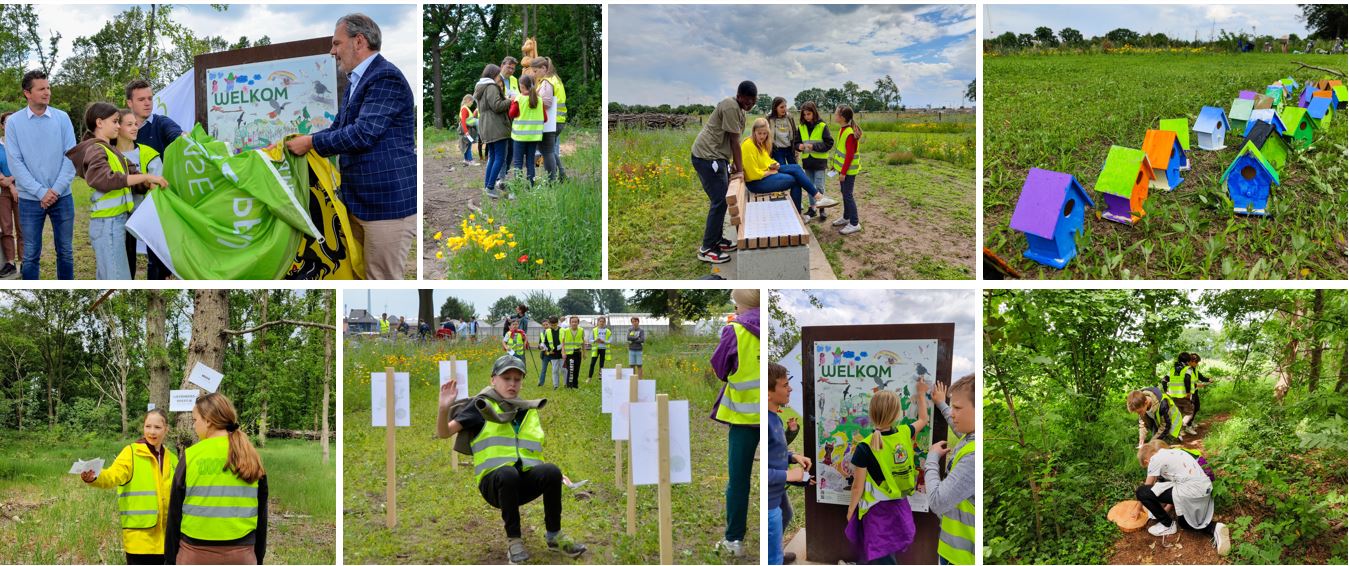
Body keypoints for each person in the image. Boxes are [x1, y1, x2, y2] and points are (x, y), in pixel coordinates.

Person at [285, 14, 417, 280]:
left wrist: (310, 142)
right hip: (360, 203)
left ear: (359, 41)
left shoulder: (385, 77)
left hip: (387, 206)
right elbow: (338, 129)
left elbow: (362, 134)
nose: (332, 51)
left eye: (336, 43)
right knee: (358, 275)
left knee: (381, 278)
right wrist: (302, 143)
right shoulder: (357, 82)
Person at [437, 354, 587, 563]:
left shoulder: (526, 409)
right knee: (507, 474)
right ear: (493, 380)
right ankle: (514, 542)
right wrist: (444, 408)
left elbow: (529, 451)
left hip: (521, 483)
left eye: (517, 379)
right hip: (494, 485)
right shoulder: (481, 407)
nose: (512, 383)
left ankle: (554, 536)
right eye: (506, 378)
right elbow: (444, 433)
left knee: (552, 471)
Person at [65, 102, 167, 280]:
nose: (118, 126)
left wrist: (147, 183)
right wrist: (146, 178)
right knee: (119, 279)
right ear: (99, 123)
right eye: (115, 122)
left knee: (109, 277)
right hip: (107, 224)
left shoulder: (110, 151)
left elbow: (131, 175)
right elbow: (105, 179)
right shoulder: (95, 150)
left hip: (114, 223)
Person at [165, 393, 268, 565]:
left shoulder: (191, 456)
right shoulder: (250, 455)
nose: (194, 425)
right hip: (241, 555)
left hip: (195, 554)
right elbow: (262, 515)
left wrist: (169, 559)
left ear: (208, 421)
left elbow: (174, 514)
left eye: (194, 419)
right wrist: (258, 557)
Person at [4, 70, 77, 280]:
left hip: (62, 197)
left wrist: (54, 191)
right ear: (27, 93)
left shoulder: (62, 118)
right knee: (30, 255)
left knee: (66, 252)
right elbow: (15, 163)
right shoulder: (14, 123)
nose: (47, 92)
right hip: (29, 199)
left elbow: (71, 156)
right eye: (41, 89)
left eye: (48, 87)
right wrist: (40, 192)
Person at [80, 409, 178, 565]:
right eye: (148, 426)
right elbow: (112, 476)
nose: (152, 432)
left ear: (166, 429)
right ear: (143, 428)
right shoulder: (131, 452)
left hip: (168, 539)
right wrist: (95, 477)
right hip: (139, 538)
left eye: (157, 427)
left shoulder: (172, 458)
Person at [846, 385, 928, 565]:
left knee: (879, 551)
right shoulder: (906, 432)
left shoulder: (864, 447)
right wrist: (921, 394)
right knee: (888, 549)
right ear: (897, 414)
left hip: (876, 509)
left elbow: (857, 487)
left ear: (871, 413)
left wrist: (851, 509)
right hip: (899, 505)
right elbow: (923, 418)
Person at [712, 289, 760, 557]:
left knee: (739, 480)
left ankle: (735, 541)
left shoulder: (734, 331)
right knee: (776, 475)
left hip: (743, 420)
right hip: (772, 418)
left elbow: (721, 369)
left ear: (740, 303)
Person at [691, 81, 756, 264]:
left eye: (754, 101)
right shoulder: (730, 106)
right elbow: (735, 141)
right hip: (706, 157)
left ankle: (718, 240)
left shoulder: (740, 110)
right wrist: (740, 171)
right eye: (748, 100)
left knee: (723, 199)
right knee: (719, 201)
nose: (750, 104)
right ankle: (707, 248)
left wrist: (735, 163)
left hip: (718, 157)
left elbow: (733, 140)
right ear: (739, 95)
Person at [124, 78, 181, 280]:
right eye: (141, 99)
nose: (148, 103)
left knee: (156, 254)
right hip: (125, 201)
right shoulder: (120, 128)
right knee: (125, 252)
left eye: (150, 98)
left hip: (156, 200)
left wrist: (184, 137)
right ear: (130, 103)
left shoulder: (161, 123)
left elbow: (178, 136)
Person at [1135, 441, 1230, 555]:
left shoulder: (1154, 459)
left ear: (1147, 461)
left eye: (1146, 467)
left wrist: (1137, 508)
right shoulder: (1175, 452)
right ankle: (1214, 528)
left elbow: (1148, 486)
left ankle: (1167, 524)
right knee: (1184, 524)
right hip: (1204, 490)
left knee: (1142, 492)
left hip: (1190, 491)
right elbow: (1166, 485)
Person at [925, 377, 976, 565]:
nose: (952, 414)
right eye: (952, 407)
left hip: (961, 557)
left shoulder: (973, 457)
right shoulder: (970, 437)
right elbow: (957, 426)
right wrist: (940, 403)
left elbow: (937, 501)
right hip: (951, 549)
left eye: (958, 408)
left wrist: (931, 459)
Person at [767, 363, 811, 566]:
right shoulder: (764, 422)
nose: (790, 389)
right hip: (770, 500)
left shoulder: (775, 417)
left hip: (778, 493)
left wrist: (793, 457)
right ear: (768, 393)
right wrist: (789, 475)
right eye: (785, 385)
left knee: (787, 514)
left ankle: (774, 548)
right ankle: (772, 556)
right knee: (775, 523)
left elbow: (774, 453)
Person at [742, 117, 832, 215]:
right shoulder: (748, 146)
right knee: (795, 180)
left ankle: (816, 198)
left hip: (765, 173)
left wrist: (775, 164)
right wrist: (770, 172)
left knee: (796, 168)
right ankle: (812, 202)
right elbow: (752, 174)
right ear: (754, 131)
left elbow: (766, 160)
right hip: (756, 183)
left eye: (765, 133)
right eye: (759, 133)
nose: (762, 136)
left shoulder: (759, 143)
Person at [474, 64, 513, 200]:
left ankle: (487, 186)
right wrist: (509, 100)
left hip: (486, 126)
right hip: (496, 126)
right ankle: (490, 187)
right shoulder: (491, 87)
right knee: (500, 157)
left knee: (492, 157)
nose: (499, 76)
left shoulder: (481, 86)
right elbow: (497, 106)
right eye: (497, 74)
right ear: (493, 74)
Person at [796, 101, 834, 223]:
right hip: (807, 162)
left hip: (820, 162)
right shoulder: (801, 127)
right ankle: (812, 209)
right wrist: (799, 146)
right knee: (810, 186)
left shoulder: (822, 125)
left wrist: (814, 146)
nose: (806, 117)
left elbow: (829, 143)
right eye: (804, 114)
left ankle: (822, 208)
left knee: (819, 185)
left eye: (808, 114)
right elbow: (796, 143)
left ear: (814, 113)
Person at [830, 105, 863, 235]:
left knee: (848, 194)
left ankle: (854, 223)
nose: (834, 115)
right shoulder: (842, 129)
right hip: (843, 169)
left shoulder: (849, 133)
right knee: (844, 192)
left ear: (842, 117)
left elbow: (849, 155)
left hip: (848, 171)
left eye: (836, 113)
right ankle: (846, 217)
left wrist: (843, 172)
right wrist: (835, 166)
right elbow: (841, 152)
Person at [509, 74, 546, 188]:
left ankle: (518, 185)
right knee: (530, 162)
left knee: (518, 163)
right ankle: (531, 185)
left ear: (522, 86)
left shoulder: (518, 99)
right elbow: (545, 118)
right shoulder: (539, 100)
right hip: (534, 137)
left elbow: (511, 114)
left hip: (520, 137)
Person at [530, 57, 563, 183]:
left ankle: (551, 181)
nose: (534, 74)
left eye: (535, 71)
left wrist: (531, 101)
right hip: (558, 120)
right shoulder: (556, 79)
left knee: (547, 151)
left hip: (551, 122)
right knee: (550, 150)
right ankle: (562, 175)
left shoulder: (547, 82)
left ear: (543, 68)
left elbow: (547, 102)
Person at [494, 56, 521, 193]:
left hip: (512, 119)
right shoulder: (495, 79)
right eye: (508, 67)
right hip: (499, 119)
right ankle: (499, 178)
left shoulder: (515, 80)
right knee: (501, 151)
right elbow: (495, 100)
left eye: (513, 68)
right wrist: (509, 99)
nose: (510, 70)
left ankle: (503, 176)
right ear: (502, 65)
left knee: (511, 150)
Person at [0, 111, 21, 279]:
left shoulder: (22, 144)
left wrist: (13, 182)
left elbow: (26, 165)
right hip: (2, 191)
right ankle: (10, 263)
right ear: (2, 126)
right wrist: (6, 182)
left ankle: (25, 262)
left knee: (23, 228)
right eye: (7, 122)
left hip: (22, 189)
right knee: (6, 228)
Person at [1162, 353, 1199, 435]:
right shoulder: (1187, 369)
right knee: (1190, 412)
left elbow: (1164, 380)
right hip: (1183, 395)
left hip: (1173, 396)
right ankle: (1180, 426)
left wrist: (1166, 391)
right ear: (1188, 361)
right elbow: (1187, 380)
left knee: (1178, 413)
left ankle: (1177, 433)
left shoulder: (1172, 369)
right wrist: (1188, 393)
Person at [538, 316, 562, 389]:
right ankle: (541, 383)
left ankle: (557, 384)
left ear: (549, 324)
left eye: (546, 324)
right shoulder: (542, 334)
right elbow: (540, 344)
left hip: (554, 354)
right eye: (544, 325)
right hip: (545, 355)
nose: (545, 326)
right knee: (543, 369)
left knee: (556, 369)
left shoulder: (554, 331)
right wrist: (540, 347)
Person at [561, 315, 585, 388]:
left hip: (578, 353)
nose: (574, 323)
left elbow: (583, 341)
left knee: (577, 369)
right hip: (569, 354)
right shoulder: (566, 331)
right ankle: (569, 386)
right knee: (571, 369)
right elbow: (563, 342)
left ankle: (575, 385)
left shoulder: (581, 330)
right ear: (570, 323)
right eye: (572, 322)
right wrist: (563, 352)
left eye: (575, 322)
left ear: (578, 322)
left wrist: (584, 352)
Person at [585, 316, 611, 382]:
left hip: (603, 349)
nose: (601, 323)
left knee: (601, 364)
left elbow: (610, 340)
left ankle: (600, 377)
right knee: (592, 363)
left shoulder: (607, 331)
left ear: (605, 322)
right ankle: (589, 378)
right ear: (598, 322)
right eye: (600, 321)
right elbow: (590, 340)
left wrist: (604, 341)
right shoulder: (594, 330)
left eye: (603, 321)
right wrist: (595, 340)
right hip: (595, 349)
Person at [459, 94, 478, 166]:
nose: (472, 103)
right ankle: (471, 161)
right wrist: (466, 132)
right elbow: (463, 121)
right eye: (472, 102)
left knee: (466, 145)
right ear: (468, 100)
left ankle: (466, 160)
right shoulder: (464, 109)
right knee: (468, 145)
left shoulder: (464, 108)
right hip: (467, 129)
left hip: (467, 129)